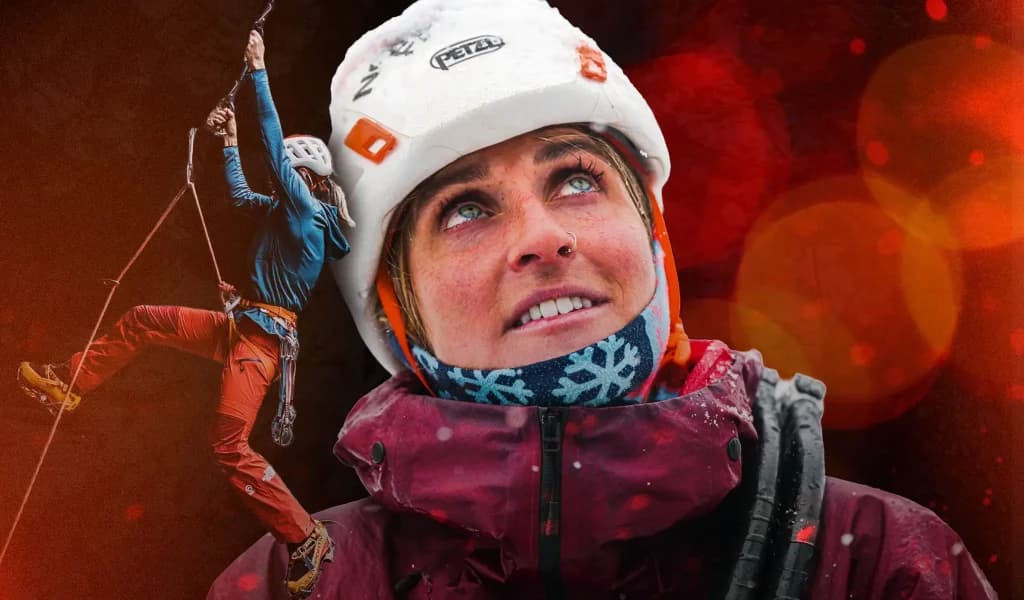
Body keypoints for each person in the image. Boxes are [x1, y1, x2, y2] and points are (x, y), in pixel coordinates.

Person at [209, 1, 998, 598]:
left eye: (577, 180)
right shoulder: (295, 583)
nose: (543, 237)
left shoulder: (881, 564)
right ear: (396, 311)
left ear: (654, 236)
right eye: (466, 209)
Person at [18, 30, 350, 600]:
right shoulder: (284, 209)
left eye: (288, 175)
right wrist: (230, 140)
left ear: (308, 180)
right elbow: (242, 196)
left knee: (228, 446)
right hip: (242, 327)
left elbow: (273, 152)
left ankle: (305, 537)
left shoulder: (307, 213)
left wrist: (259, 70)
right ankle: (68, 384)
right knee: (145, 318)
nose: (279, 180)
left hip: (260, 344)